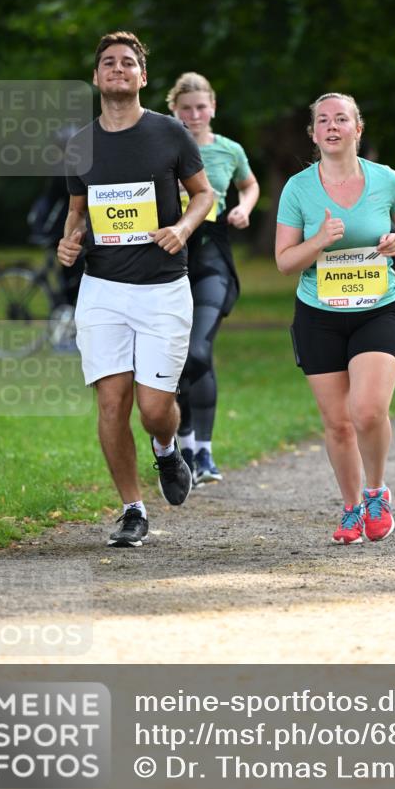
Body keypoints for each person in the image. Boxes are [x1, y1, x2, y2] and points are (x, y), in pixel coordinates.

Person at [57, 32, 214, 547]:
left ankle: (167, 449)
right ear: (97, 77)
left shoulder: (169, 133)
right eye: (108, 63)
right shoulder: (81, 142)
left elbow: (203, 194)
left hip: (162, 288)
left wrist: (184, 229)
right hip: (102, 288)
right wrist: (68, 243)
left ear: (142, 77)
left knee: (152, 408)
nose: (118, 69)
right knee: (111, 402)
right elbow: (78, 211)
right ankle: (132, 509)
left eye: (128, 63)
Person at [275, 93, 395, 545]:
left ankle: (377, 492)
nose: (332, 126)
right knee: (338, 422)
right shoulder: (297, 188)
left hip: (377, 309)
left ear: (358, 129)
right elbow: (284, 261)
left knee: (368, 410)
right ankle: (350, 507)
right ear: (314, 133)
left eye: (342, 119)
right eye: (323, 120)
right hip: (319, 316)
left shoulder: (387, 180)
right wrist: (318, 239)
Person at [167, 72, 260, 484]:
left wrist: (244, 207)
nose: (194, 115)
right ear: (174, 110)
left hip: (212, 255)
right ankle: (186, 445)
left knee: (198, 350)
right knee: (178, 357)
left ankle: (202, 452)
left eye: (201, 107)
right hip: (167, 258)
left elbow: (250, 184)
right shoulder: (161, 146)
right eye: (186, 108)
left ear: (213, 109)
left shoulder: (228, 149)